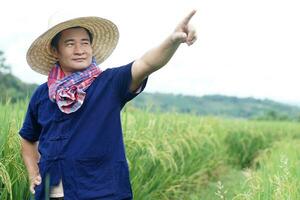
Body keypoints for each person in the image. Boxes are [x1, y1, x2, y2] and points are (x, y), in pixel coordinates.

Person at [20, 10, 197, 200]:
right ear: (55, 50)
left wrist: (172, 40)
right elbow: (28, 138)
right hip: (50, 193)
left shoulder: (109, 83)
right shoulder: (43, 94)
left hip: (102, 192)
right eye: (70, 43)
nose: (80, 50)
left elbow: (146, 63)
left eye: (85, 43)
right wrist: (33, 173)